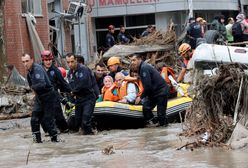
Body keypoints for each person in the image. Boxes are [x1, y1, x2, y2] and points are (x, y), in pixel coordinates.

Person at [21, 53, 58, 143]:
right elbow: (32, 87)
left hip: (48, 96)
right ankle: (37, 141)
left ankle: (55, 140)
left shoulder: (37, 69)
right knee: (34, 119)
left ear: (32, 60)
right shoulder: (29, 73)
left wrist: (31, 89)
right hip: (39, 97)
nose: (25, 64)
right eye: (23, 62)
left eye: (27, 61)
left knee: (48, 121)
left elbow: (42, 84)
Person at [130, 54, 169, 127]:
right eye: (131, 60)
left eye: (134, 60)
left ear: (139, 59)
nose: (132, 62)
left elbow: (147, 86)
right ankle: (155, 123)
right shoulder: (141, 68)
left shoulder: (144, 68)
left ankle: (164, 127)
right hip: (153, 93)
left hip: (161, 91)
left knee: (161, 114)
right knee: (146, 108)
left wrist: (140, 97)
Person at [41, 50, 71, 133]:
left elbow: (63, 83)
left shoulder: (55, 71)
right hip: (42, 97)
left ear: (52, 60)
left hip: (54, 96)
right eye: (46, 60)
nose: (48, 62)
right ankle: (49, 131)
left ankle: (64, 129)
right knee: (41, 115)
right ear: (43, 60)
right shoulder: (39, 70)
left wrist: (72, 92)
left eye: (49, 60)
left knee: (58, 116)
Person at [66, 53, 96, 135]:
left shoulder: (83, 69)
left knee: (85, 120)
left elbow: (83, 83)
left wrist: (73, 91)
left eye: (72, 61)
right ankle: (90, 130)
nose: (70, 64)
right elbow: (70, 85)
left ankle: (91, 135)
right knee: (78, 122)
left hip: (88, 98)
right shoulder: (70, 73)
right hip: (78, 99)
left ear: (76, 60)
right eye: (68, 62)